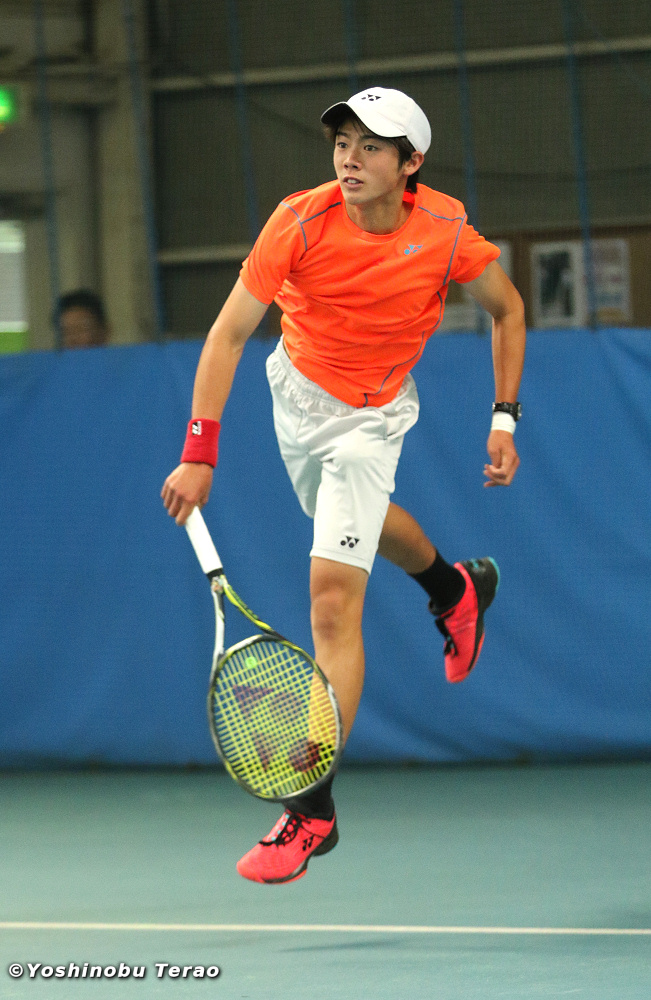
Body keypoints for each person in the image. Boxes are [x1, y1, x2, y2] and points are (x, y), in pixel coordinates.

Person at [161, 87, 525, 885]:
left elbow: (507, 309)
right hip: (292, 397)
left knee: (331, 601)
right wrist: (200, 451)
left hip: (371, 420)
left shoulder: (445, 231)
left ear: (410, 163)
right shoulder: (297, 221)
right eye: (341, 144)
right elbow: (227, 333)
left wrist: (503, 418)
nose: (349, 159)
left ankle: (309, 807)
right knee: (347, 521)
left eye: (371, 147)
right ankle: (454, 588)